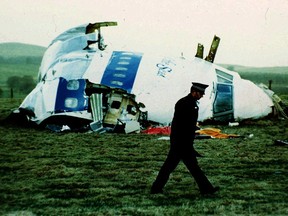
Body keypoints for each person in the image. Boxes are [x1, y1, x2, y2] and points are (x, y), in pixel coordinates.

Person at [151, 82, 219, 195]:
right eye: (201, 93)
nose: (202, 95)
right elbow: (182, 124)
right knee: (184, 167)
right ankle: (207, 189)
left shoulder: (188, 102)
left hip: (182, 141)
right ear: (194, 92)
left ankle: (206, 189)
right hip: (181, 142)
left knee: (181, 167)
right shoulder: (186, 103)